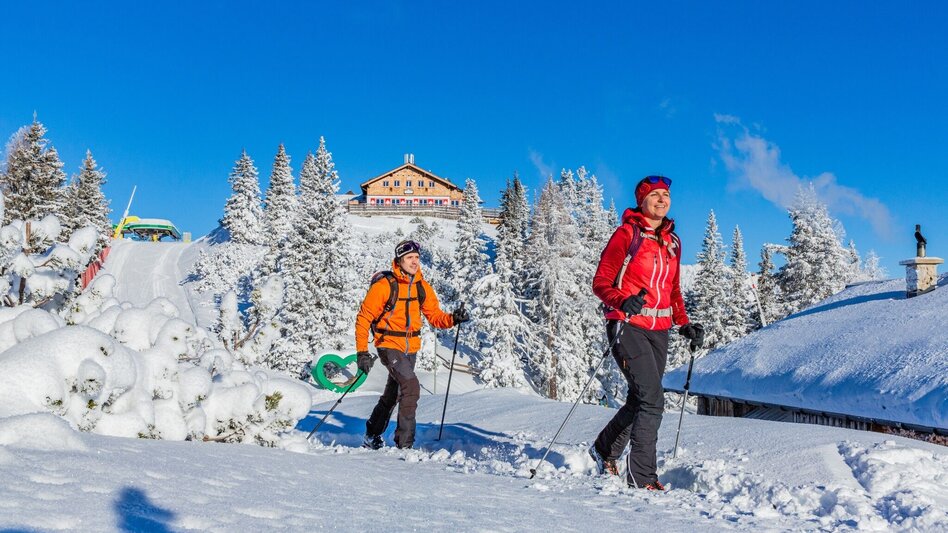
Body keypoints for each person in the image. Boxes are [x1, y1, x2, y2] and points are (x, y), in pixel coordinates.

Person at [589, 175, 704, 490]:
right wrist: (622, 300)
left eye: (665, 195)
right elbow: (601, 282)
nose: (661, 199)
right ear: (641, 200)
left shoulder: (673, 242)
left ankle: (604, 448)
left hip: (659, 330)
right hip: (626, 325)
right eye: (654, 195)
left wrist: (684, 323)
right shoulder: (627, 234)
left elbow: (673, 289)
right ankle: (642, 477)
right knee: (653, 399)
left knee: (641, 397)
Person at [354, 239, 470, 450]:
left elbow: (435, 317)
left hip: (411, 348)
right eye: (409, 258)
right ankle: (405, 445)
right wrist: (361, 352)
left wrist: (454, 318)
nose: (414, 261)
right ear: (399, 261)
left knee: (393, 394)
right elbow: (363, 318)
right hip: (388, 344)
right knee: (411, 387)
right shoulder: (384, 287)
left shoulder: (422, 287)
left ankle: (372, 434)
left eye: (416, 257)